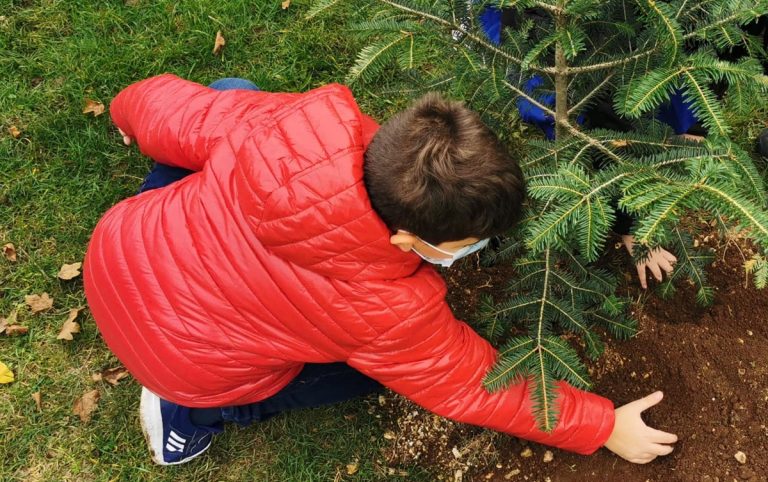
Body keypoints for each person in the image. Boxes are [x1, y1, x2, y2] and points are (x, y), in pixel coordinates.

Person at [83, 74, 677, 466]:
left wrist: (125, 113)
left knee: (229, 92)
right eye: (467, 243)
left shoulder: (292, 130)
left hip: (118, 249)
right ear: (404, 237)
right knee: (375, 374)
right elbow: (469, 385)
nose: (469, 251)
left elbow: (166, 107)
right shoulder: (381, 310)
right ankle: (188, 417)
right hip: (179, 360)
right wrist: (602, 426)